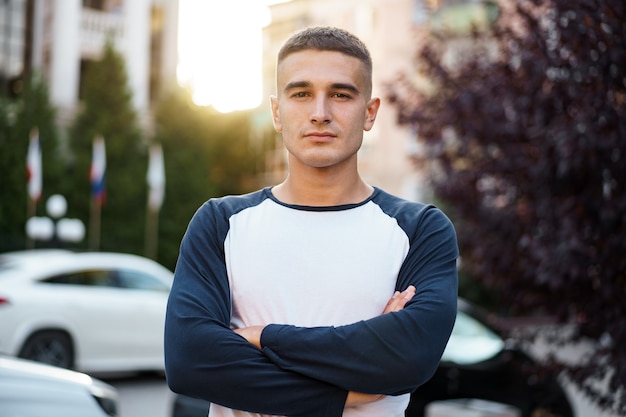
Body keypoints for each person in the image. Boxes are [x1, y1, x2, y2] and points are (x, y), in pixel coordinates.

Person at [164, 26, 459, 417]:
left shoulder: (421, 229)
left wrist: (260, 337)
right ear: (277, 112)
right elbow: (190, 360)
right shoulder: (221, 223)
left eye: (340, 94)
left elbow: (407, 359)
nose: (320, 113)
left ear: (369, 113)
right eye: (301, 93)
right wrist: (344, 394)